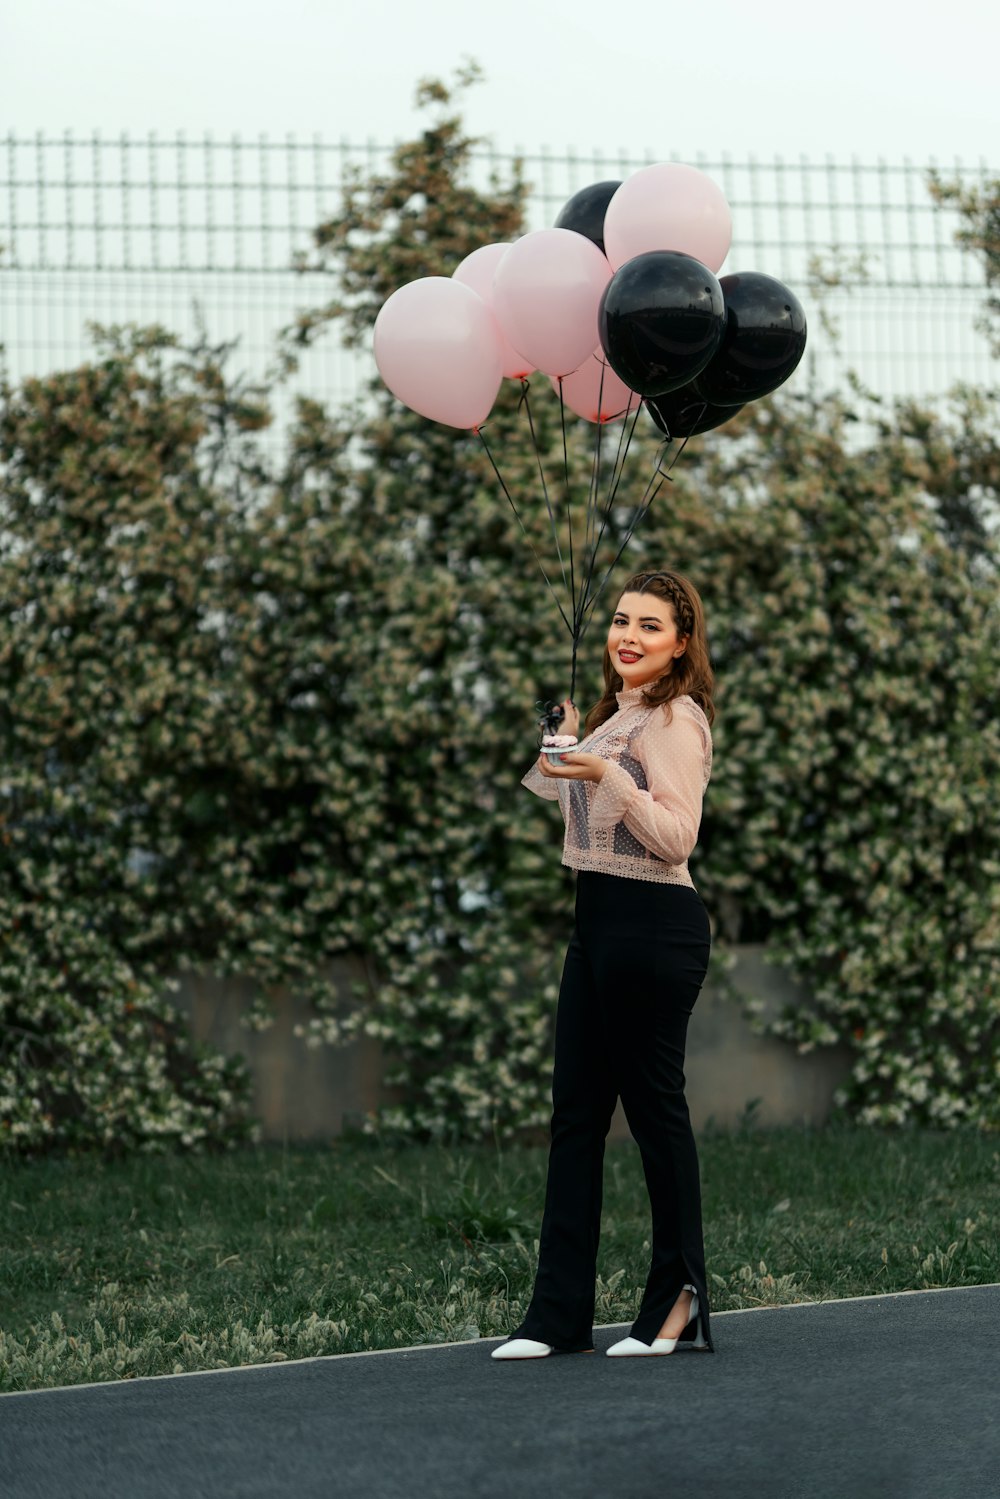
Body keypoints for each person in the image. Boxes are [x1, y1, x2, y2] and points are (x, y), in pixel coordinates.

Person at [492, 568, 717, 1361]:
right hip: (597, 924)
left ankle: (678, 1301)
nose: (628, 635)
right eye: (622, 620)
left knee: (655, 1113)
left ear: (681, 644)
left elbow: (676, 836)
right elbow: (571, 807)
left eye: (650, 626)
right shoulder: (615, 716)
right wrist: (562, 743)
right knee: (576, 1118)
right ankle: (556, 1317)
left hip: (655, 924)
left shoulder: (674, 720)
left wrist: (606, 771)